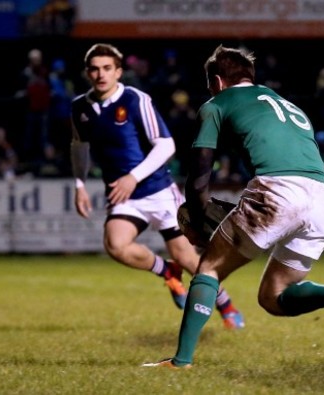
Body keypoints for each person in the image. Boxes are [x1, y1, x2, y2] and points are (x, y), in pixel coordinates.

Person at [142, 45, 324, 369]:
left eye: (209, 85)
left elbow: (200, 171)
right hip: (322, 200)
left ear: (217, 82)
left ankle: (181, 362)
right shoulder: (288, 105)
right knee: (273, 296)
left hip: (278, 191)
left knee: (209, 269)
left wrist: (198, 214)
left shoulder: (217, 103)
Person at [69, 43, 244, 329]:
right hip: (124, 196)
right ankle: (166, 271)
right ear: (88, 73)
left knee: (187, 255)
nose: (100, 74)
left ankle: (225, 303)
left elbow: (166, 145)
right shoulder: (80, 107)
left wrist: (133, 176)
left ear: (118, 72)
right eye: (95, 69)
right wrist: (79, 183)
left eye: (107, 68)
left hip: (159, 191)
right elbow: (79, 146)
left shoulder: (136, 100)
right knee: (115, 245)